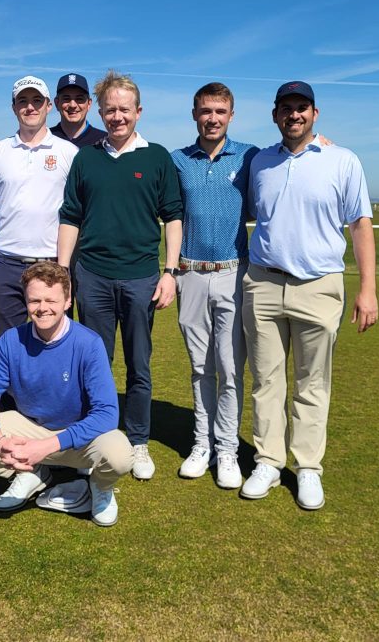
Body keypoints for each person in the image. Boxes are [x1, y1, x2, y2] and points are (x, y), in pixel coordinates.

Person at [240, 81, 378, 510]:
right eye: (286, 108)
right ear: (275, 115)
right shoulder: (260, 161)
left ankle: (308, 468)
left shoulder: (343, 160)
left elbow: (360, 225)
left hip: (319, 285)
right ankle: (268, 461)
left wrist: (368, 290)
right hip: (263, 282)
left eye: (302, 107)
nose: (294, 115)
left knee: (311, 383)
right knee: (266, 381)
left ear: (315, 113)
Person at [57, 70, 183, 481]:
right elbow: (70, 217)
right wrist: (63, 272)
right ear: (101, 112)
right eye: (110, 110)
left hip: (141, 278)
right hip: (92, 277)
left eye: (124, 109)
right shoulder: (86, 158)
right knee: (95, 364)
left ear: (138, 111)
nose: (117, 117)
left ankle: (139, 440)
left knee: (138, 365)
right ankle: (98, 436)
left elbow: (173, 217)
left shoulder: (157, 157)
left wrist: (170, 272)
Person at [0, 262, 134, 526]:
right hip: (30, 428)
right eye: (34, 300)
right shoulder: (11, 340)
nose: (42, 307)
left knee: (121, 455)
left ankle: (100, 487)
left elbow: (107, 414)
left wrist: (44, 447)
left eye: (51, 300)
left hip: (76, 435)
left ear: (67, 301)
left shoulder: (89, 343)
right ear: (25, 300)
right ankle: (31, 472)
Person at [171, 83, 258, 489]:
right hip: (189, 273)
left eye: (220, 111)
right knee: (200, 367)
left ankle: (227, 449)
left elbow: (288, 158)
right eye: (206, 111)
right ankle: (202, 444)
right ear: (195, 114)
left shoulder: (249, 156)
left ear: (231, 115)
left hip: (233, 273)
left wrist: (321, 144)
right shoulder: (178, 160)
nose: (212, 118)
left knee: (230, 367)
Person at [0, 76, 78, 341]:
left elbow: (76, 211)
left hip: (53, 264)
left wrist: (63, 264)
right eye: (23, 101)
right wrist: (3, 244)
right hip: (5, 265)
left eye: (37, 101)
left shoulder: (69, 152)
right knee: (7, 343)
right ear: (14, 107)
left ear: (48, 106)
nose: (30, 107)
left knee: (54, 343)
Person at [49, 73, 107, 148]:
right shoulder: (45, 139)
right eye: (66, 99)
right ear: (57, 103)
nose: (73, 105)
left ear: (89, 104)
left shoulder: (105, 141)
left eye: (79, 99)